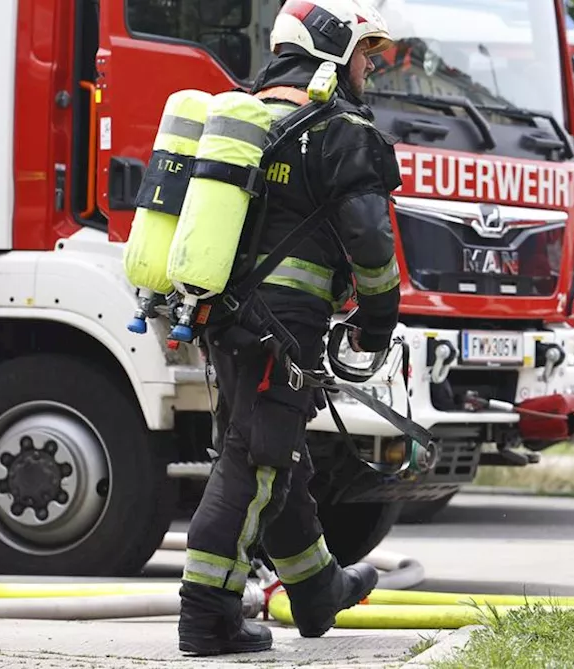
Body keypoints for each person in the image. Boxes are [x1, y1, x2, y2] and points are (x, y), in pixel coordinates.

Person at [178, 0, 403, 657]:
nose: (371, 67)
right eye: (366, 53)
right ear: (333, 48)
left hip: (227, 320)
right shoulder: (338, 129)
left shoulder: (252, 119)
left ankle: (315, 589)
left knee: (276, 452)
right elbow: (369, 240)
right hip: (286, 326)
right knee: (259, 462)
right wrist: (378, 322)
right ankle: (207, 615)